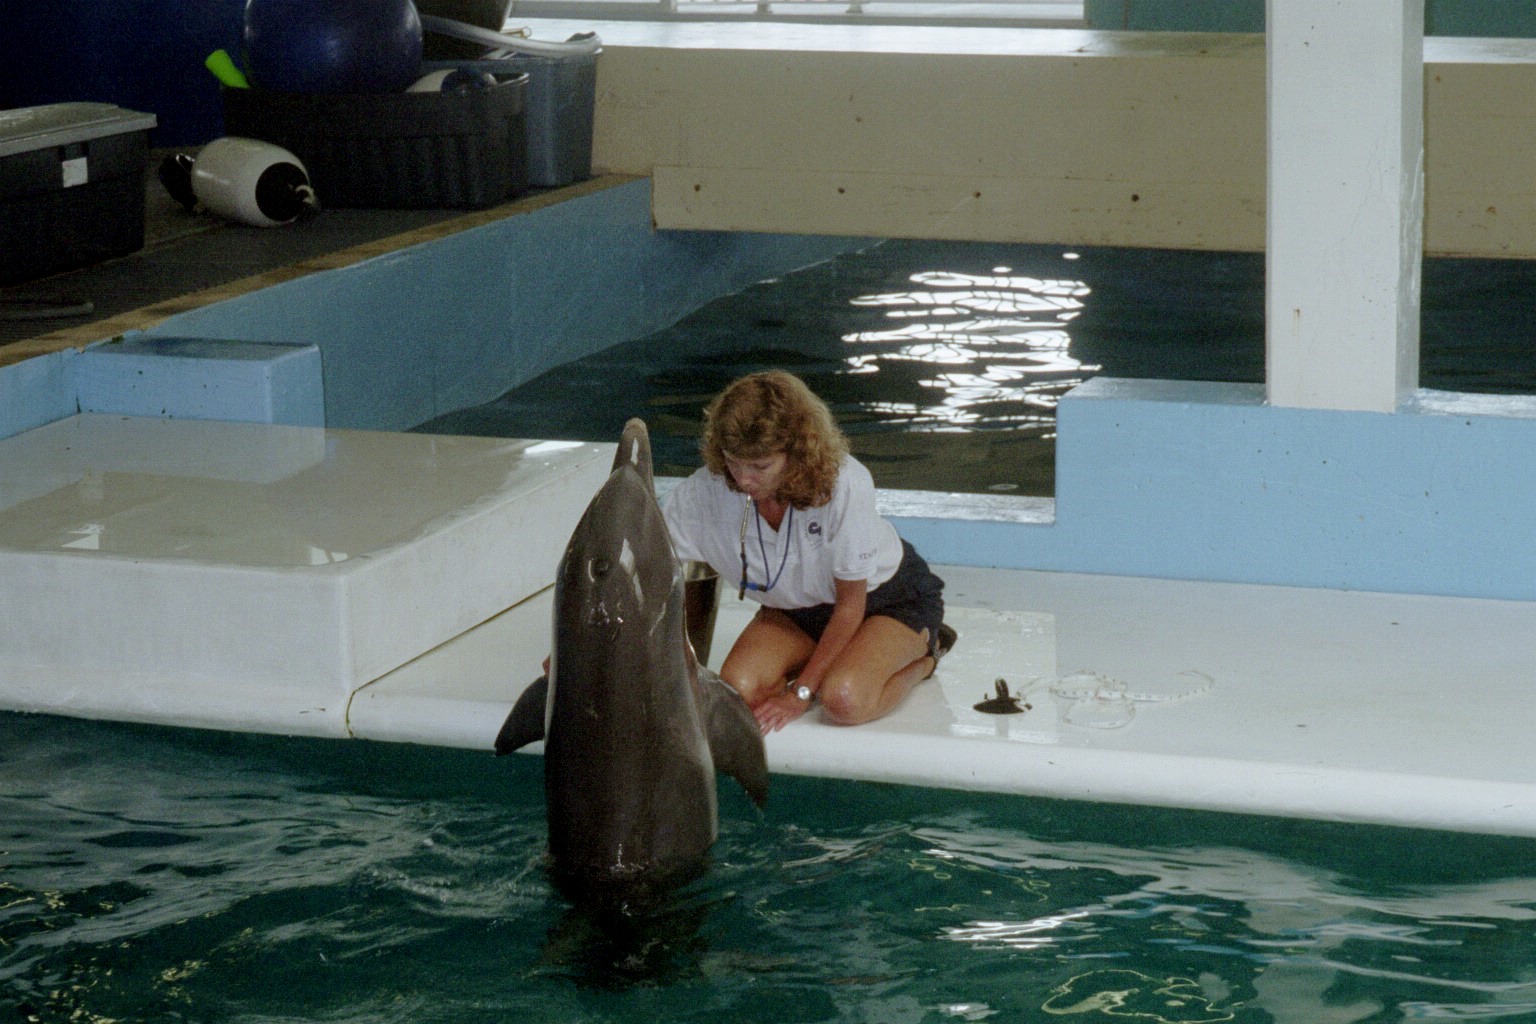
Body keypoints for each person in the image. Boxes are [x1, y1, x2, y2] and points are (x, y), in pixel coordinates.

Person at [662, 371, 955, 734]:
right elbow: (645, 554)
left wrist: (801, 693)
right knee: (738, 692)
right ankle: (833, 661)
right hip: (797, 612)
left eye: (760, 466)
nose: (744, 480)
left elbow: (850, 607)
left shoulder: (845, 483)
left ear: (796, 452)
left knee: (843, 700)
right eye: (734, 462)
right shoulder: (704, 492)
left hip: (885, 601)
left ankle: (928, 654)